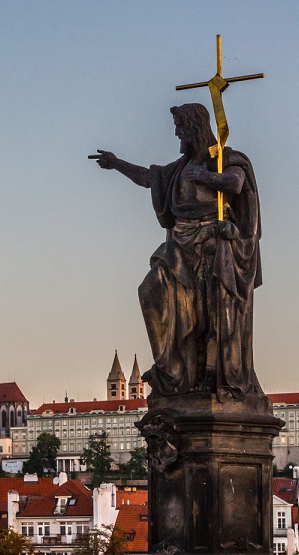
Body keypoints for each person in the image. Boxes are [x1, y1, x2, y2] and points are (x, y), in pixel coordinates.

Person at [90, 103, 263, 398]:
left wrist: (206, 177)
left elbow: (235, 183)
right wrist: (117, 163)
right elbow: (149, 178)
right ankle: (171, 370)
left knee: (214, 314)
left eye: (180, 129)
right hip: (181, 245)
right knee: (151, 290)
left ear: (194, 129)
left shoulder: (226, 159)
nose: (177, 135)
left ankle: (213, 376)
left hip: (214, 244)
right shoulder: (180, 168)